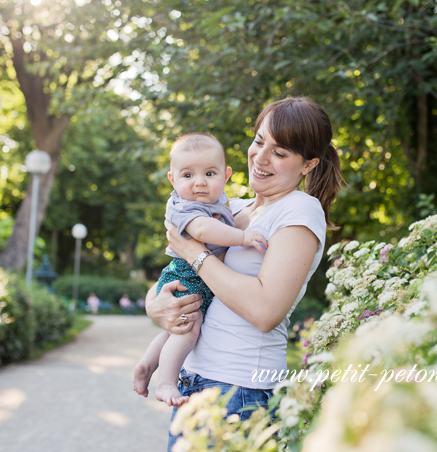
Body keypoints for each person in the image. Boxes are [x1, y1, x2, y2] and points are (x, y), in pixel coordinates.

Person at [144, 97, 343, 450]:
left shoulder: (299, 209)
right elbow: (175, 267)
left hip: (237, 389)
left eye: (280, 153)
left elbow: (266, 311)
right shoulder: (227, 208)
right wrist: (154, 305)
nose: (261, 157)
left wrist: (196, 253)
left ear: (309, 164)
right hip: (193, 381)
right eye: (259, 141)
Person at [133, 133, 268, 406]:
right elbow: (203, 229)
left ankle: (147, 365)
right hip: (186, 276)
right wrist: (242, 237)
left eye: (209, 173)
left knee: (178, 332)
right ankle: (167, 383)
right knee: (188, 331)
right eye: (187, 175)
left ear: (226, 175)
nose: (199, 182)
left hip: (197, 278)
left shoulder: (222, 203)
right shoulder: (184, 206)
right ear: (172, 179)